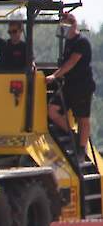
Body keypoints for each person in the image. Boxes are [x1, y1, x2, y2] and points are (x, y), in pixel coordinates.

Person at [47, 12, 96, 158]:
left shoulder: (81, 42)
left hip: (82, 86)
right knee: (52, 110)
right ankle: (72, 135)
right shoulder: (68, 43)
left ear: (73, 25)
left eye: (65, 25)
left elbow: (71, 63)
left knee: (82, 117)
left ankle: (81, 148)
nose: (62, 29)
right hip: (68, 85)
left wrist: (54, 75)